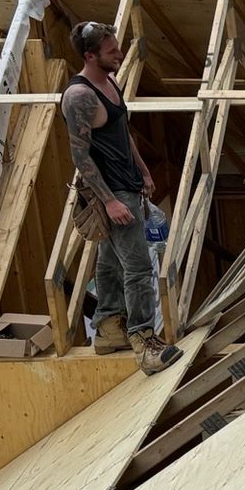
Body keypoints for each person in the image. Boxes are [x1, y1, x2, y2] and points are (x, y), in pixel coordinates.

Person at [62, 21, 182, 375]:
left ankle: (108, 329)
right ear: (90, 56)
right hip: (111, 193)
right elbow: (80, 157)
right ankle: (144, 342)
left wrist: (143, 170)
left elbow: (120, 131)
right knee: (139, 267)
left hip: (127, 184)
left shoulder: (110, 82)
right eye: (112, 51)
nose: (119, 54)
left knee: (110, 262)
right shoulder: (80, 97)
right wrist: (109, 201)